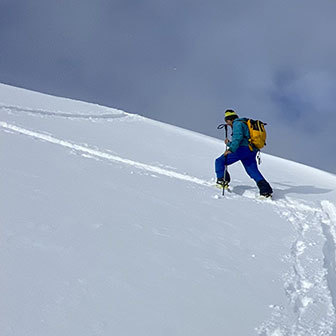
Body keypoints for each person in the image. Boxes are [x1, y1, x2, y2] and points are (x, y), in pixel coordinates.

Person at [215, 109, 273, 197]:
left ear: (229, 119)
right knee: (252, 171)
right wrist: (230, 143)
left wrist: (230, 149)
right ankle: (266, 190)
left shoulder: (237, 124)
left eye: (227, 121)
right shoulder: (244, 123)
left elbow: (238, 138)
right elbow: (244, 139)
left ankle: (222, 181)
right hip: (251, 150)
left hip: (243, 149)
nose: (228, 124)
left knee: (220, 161)